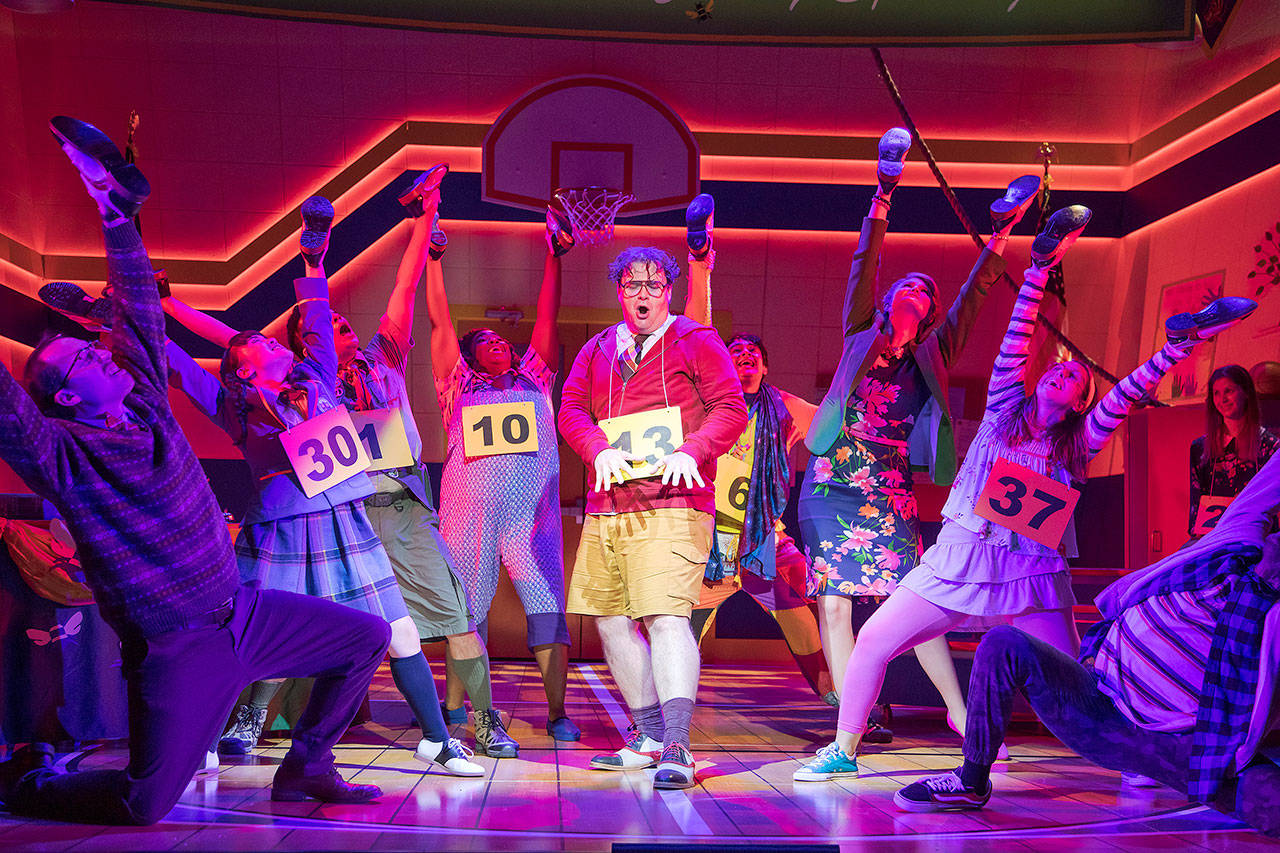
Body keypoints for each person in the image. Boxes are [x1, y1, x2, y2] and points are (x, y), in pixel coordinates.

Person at [0, 116, 390, 824]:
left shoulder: (144, 405)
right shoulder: (61, 452)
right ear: (65, 399)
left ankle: (307, 766)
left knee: (366, 636)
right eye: (83, 359)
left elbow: (141, 320)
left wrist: (116, 214)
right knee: (144, 803)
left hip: (245, 613)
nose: (101, 352)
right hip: (179, 648)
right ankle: (26, 783)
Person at [794, 203, 1257, 782]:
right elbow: (1016, 338)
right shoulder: (1001, 412)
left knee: (1081, 682)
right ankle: (844, 749)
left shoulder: (1078, 442)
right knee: (872, 640)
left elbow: (1127, 395)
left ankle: (1141, 758)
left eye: (1077, 378)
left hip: (1031, 572)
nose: (1064, 372)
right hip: (962, 557)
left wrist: (1177, 348)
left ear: (1081, 402)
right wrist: (1039, 268)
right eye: (1058, 368)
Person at [158, 196, 484, 776]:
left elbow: (316, 324)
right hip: (281, 532)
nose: (274, 347)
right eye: (261, 347)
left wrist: (314, 262)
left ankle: (436, 740)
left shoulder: (319, 379)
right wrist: (138, 314)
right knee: (247, 639)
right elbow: (180, 367)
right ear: (243, 369)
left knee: (400, 630)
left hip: (347, 524)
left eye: (275, 343)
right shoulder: (235, 407)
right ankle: (206, 740)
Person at [892, 443, 1280, 839]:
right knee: (1003, 643)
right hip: (1099, 702)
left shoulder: (1270, 610)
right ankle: (971, 779)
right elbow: (1267, 485)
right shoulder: (1234, 545)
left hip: (1180, 743)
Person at [799, 127, 1039, 738]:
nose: (917, 291)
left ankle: (959, 712)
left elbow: (975, 295)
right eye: (907, 285)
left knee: (915, 598)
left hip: (889, 485)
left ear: (931, 312)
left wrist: (1001, 235)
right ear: (888, 301)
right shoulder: (860, 331)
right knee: (833, 600)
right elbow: (865, 262)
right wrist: (885, 191)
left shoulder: (933, 354)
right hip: (831, 480)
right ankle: (852, 720)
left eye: (926, 292)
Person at [278, 166, 517, 758]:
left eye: (341, 321)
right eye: (325, 324)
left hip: (404, 510)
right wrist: (313, 267)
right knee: (314, 621)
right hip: (342, 517)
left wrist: (425, 217)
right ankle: (272, 722)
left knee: (456, 618)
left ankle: (484, 722)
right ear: (307, 340)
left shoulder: (382, 361)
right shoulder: (304, 387)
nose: (339, 326)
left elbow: (404, 291)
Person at [558, 244, 748, 789]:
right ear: (620, 291)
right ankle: (648, 736)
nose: (643, 295)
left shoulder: (696, 339)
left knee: (665, 618)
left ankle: (678, 745)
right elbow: (570, 409)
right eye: (633, 285)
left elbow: (731, 406)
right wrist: (595, 449)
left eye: (654, 285)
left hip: (673, 503)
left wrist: (694, 448)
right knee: (609, 619)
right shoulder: (597, 348)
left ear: (668, 291)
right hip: (608, 505)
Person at [424, 197, 579, 742]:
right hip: (469, 513)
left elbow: (546, 317)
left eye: (501, 341)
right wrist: (434, 260)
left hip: (532, 516)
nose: (498, 344)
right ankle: (454, 708)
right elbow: (439, 322)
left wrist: (554, 256)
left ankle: (557, 712)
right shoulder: (457, 385)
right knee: (464, 612)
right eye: (484, 341)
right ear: (469, 356)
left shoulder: (536, 379)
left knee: (547, 608)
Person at [680, 194, 835, 703]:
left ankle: (841, 700)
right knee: (686, 625)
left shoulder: (785, 406)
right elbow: (697, 333)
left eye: (753, 353)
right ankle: (662, 708)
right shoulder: (706, 399)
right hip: (709, 538)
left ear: (765, 368)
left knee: (807, 607)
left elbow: (838, 426)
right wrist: (700, 264)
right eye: (735, 352)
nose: (743, 356)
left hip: (763, 538)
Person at [1187, 364, 1278, 538]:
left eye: (1228, 391)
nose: (1222, 399)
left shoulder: (1271, 447)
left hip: (1256, 539)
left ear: (1246, 393)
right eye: (1216, 393)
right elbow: (1196, 501)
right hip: (1213, 538)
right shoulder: (1199, 448)